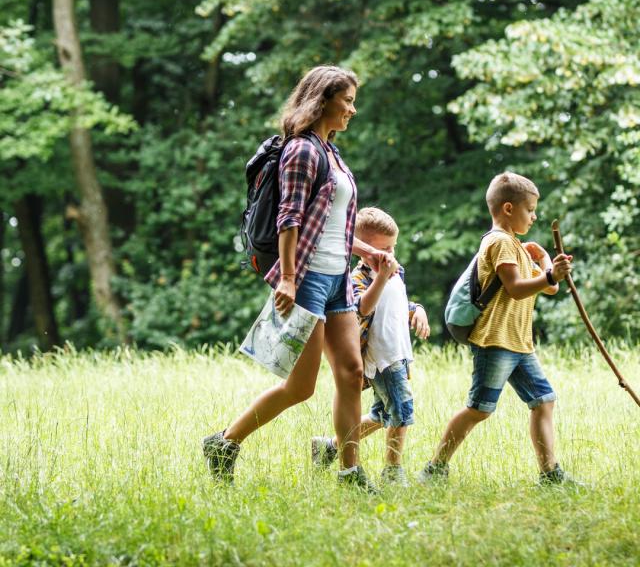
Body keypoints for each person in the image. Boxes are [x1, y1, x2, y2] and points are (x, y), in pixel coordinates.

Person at [203, 66, 389, 491]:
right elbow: (290, 218)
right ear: (323, 99)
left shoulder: (332, 152)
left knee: (350, 370)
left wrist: (368, 251)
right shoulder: (302, 151)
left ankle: (349, 471)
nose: (353, 110)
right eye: (347, 101)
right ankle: (225, 442)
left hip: (337, 278)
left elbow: (331, 224)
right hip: (305, 278)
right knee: (301, 386)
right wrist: (287, 277)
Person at [418, 172, 578, 485]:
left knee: (544, 400)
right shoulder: (500, 243)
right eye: (530, 209)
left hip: (519, 344)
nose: (534, 216)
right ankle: (434, 468)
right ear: (508, 209)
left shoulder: (516, 246)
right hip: (495, 342)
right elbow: (518, 288)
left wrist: (547, 263)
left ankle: (550, 475)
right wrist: (550, 276)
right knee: (479, 409)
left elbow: (549, 289)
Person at [311, 207, 430, 486]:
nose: (390, 255)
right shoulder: (357, 278)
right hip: (379, 356)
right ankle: (393, 470)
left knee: (382, 413)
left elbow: (396, 306)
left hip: (398, 351)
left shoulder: (396, 271)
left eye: (393, 247)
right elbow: (362, 308)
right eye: (383, 249)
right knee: (402, 409)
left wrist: (417, 309)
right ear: (363, 251)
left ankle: (329, 446)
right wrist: (381, 276)